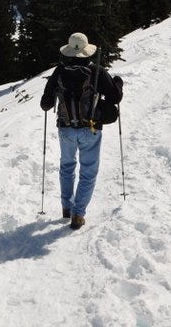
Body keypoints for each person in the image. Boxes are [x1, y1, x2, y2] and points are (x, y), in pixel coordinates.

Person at [40, 32, 123, 230]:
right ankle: (78, 214)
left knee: (67, 167)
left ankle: (66, 207)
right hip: (91, 127)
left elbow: (45, 104)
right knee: (88, 171)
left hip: (66, 129)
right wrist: (118, 83)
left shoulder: (59, 72)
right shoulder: (97, 71)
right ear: (87, 52)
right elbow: (115, 98)